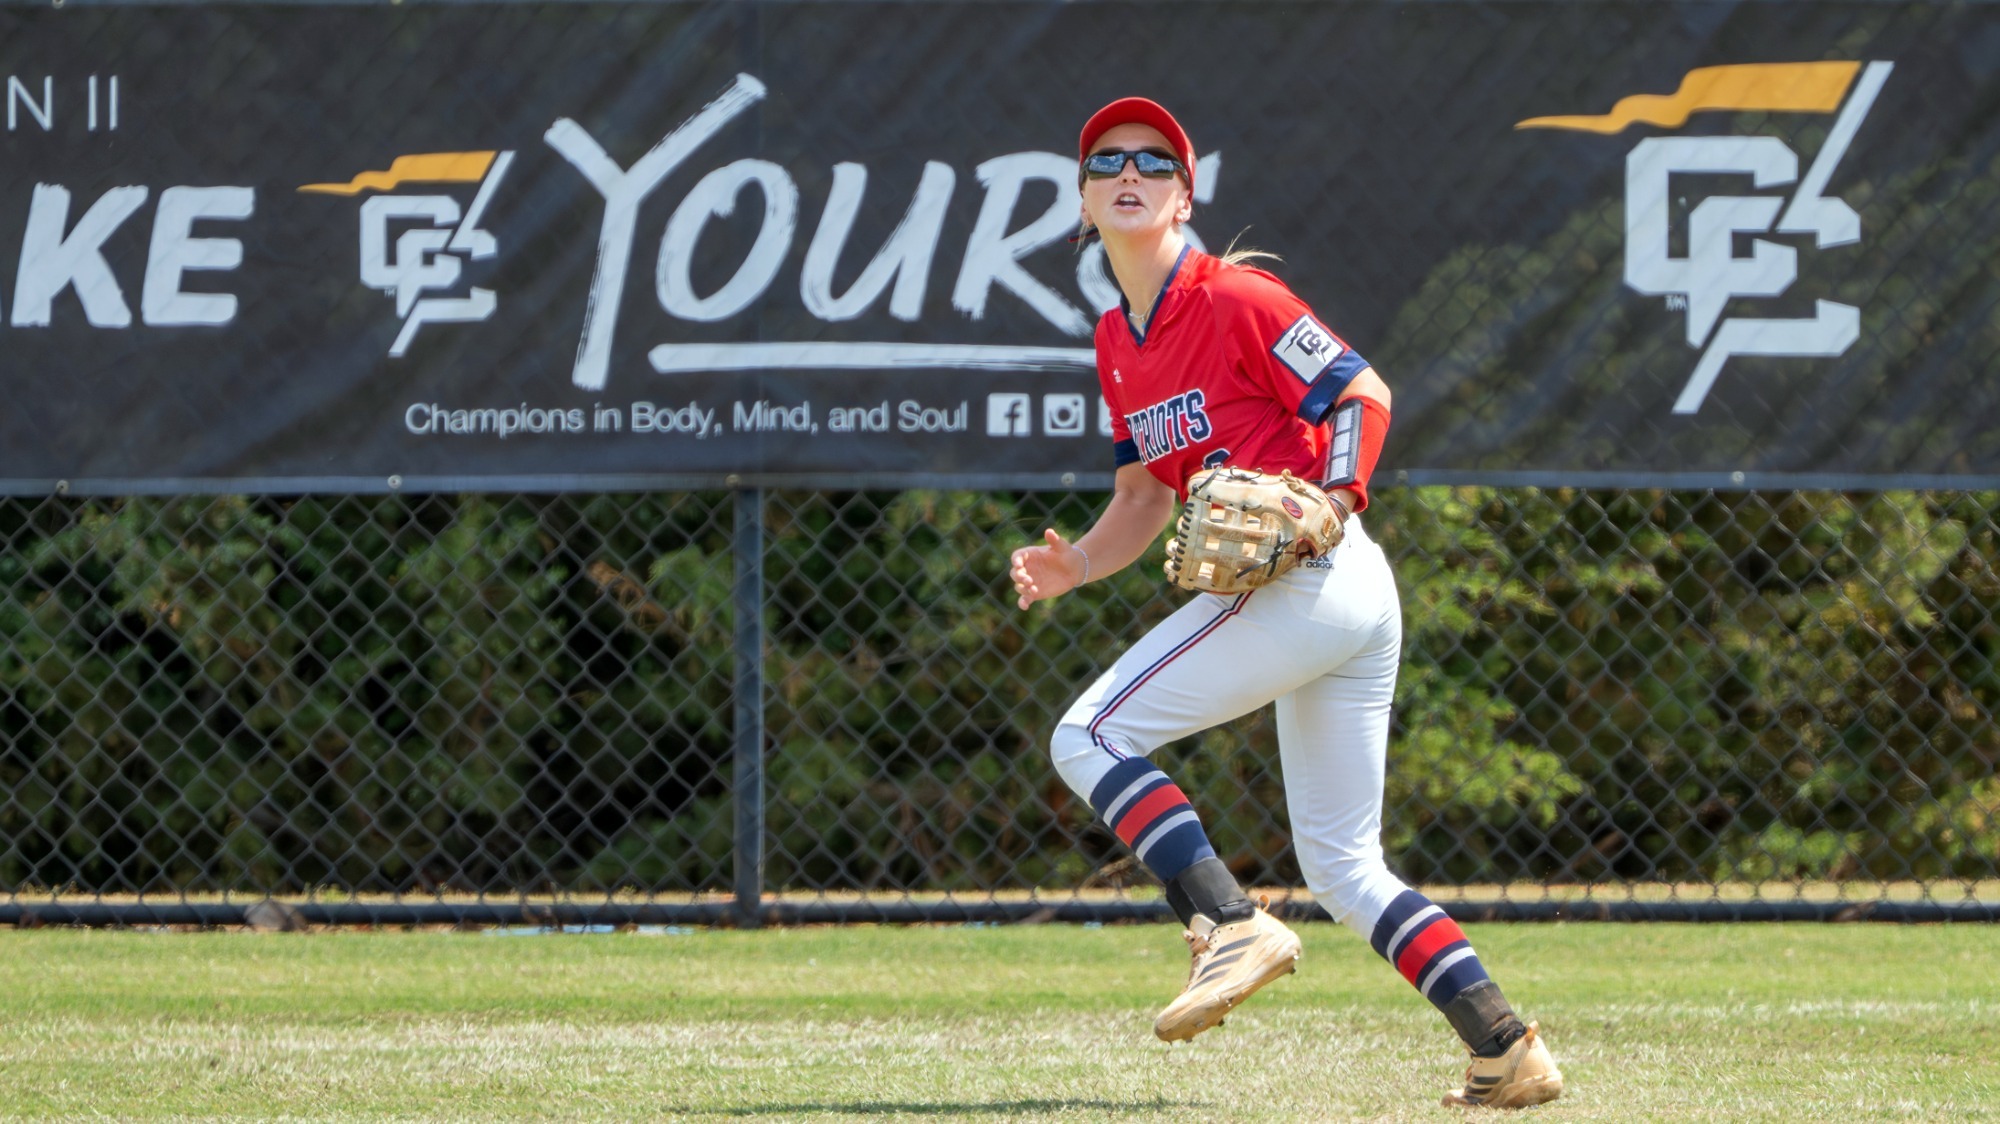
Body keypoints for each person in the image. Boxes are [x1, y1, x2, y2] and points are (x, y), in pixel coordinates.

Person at [1008, 97, 1564, 1109]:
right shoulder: (1113, 340)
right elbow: (1140, 495)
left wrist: (1334, 495)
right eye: (1104, 159)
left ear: (1183, 195)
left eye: (1153, 159)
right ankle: (1501, 1044)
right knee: (1345, 862)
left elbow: (1362, 391)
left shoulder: (1232, 297)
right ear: (1084, 201)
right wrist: (1078, 563)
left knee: (1086, 733)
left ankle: (1229, 920)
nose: (1127, 169)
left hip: (1316, 572)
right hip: (1334, 598)